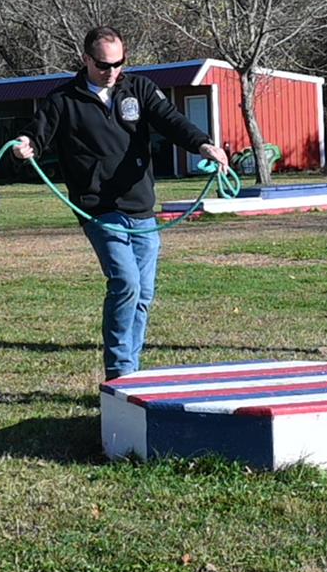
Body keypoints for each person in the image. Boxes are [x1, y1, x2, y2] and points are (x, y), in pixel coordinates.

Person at [11, 26, 230, 381]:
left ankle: (134, 371)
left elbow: (171, 121)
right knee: (125, 282)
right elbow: (36, 134)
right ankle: (119, 374)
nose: (112, 71)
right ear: (86, 59)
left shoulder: (139, 89)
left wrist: (203, 145)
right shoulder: (62, 100)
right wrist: (24, 146)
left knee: (143, 294)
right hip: (99, 209)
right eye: (103, 64)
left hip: (141, 207)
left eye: (118, 63)